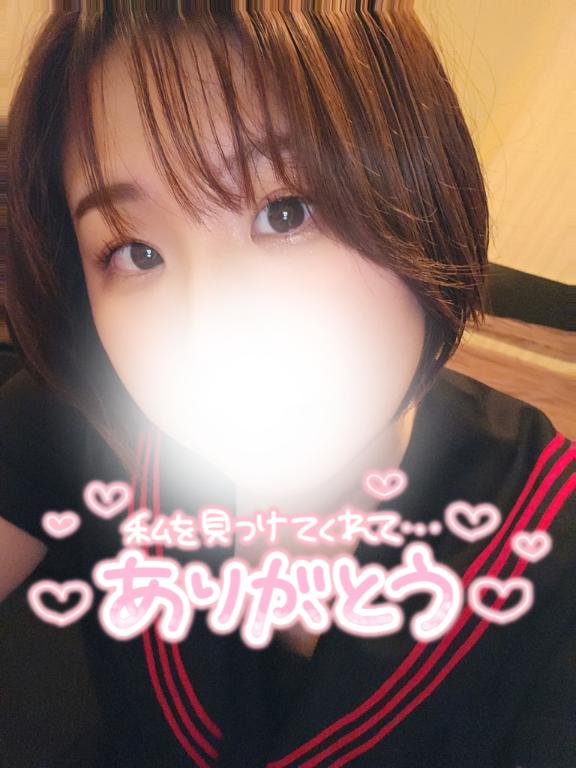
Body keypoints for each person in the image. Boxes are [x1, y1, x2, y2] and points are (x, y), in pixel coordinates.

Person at [1, 2, 574, 766]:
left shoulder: (546, 544)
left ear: (422, 192)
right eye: (136, 253)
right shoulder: (87, 416)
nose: (209, 328)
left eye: (285, 211)